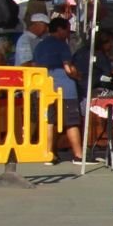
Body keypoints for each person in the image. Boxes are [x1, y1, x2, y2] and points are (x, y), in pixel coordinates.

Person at [31, 17, 85, 163]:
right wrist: (78, 75)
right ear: (60, 29)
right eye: (67, 29)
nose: (68, 33)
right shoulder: (62, 46)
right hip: (65, 88)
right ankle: (79, 154)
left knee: (49, 121)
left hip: (44, 87)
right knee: (71, 121)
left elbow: (35, 65)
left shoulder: (39, 46)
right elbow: (68, 68)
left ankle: (49, 153)